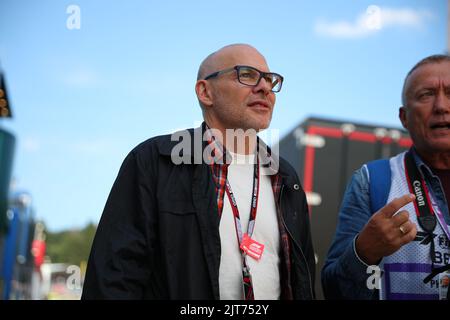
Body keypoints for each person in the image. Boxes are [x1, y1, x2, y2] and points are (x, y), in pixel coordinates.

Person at [82, 44, 315, 300]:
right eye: (247, 75)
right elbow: (114, 281)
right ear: (205, 92)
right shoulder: (154, 162)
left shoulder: (285, 178)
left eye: (270, 80)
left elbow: (303, 283)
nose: (265, 88)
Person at [322, 54, 450, 300]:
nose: (442, 106)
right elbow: (333, 290)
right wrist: (363, 252)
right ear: (404, 117)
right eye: (426, 95)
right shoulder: (371, 181)